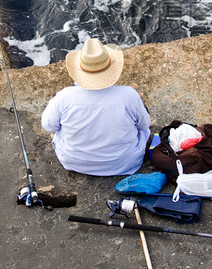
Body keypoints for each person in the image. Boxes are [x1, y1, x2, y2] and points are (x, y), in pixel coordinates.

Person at [41, 38, 151, 176]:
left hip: (74, 162)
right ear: (111, 68)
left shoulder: (64, 97)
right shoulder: (128, 95)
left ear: (80, 70)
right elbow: (144, 125)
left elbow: (49, 126)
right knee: (142, 126)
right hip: (125, 163)